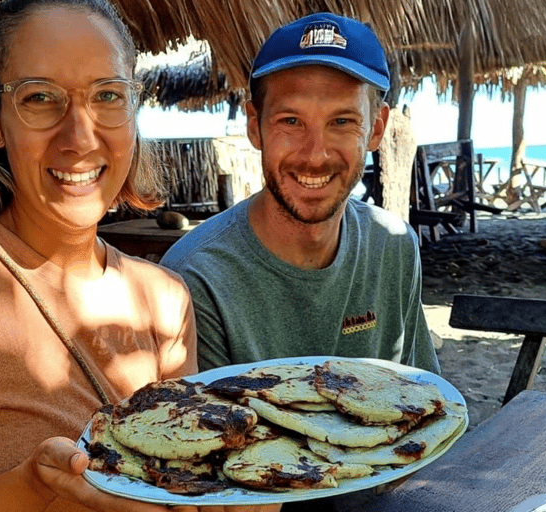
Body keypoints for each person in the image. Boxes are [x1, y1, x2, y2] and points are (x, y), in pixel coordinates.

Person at [0, 2, 278, 511]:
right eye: (40, 98)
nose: (79, 136)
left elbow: (180, 477)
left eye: (108, 95)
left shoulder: (164, 298)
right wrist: (34, 491)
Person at [160, 12, 440, 376]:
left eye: (342, 122)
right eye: (291, 121)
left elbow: (422, 399)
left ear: (376, 129)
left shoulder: (394, 248)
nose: (315, 155)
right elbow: (205, 428)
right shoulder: (195, 277)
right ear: (254, 127)